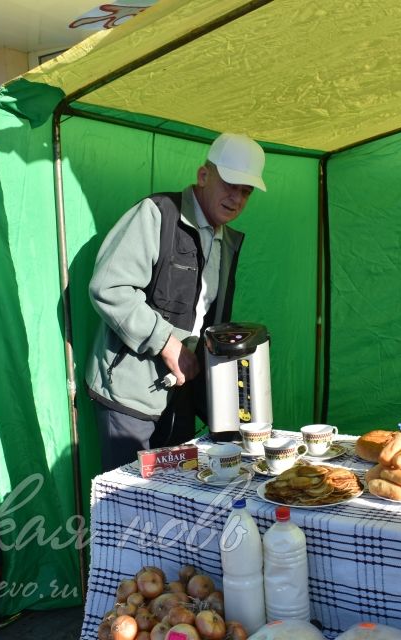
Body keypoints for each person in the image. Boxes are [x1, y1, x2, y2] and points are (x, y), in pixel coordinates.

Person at [86, 133, 267, 470]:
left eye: (246, 191)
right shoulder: (157, 214)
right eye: (230, 184)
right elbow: (109, 287)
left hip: (181, 396)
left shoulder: (228, 241)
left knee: (175, 502)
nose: (236, 198)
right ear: (203, 175)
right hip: (129, 398)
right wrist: (169, 346)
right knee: (129, 506)